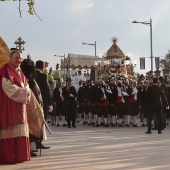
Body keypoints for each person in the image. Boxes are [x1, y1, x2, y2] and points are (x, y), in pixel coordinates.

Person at [0, 50, 31, 163]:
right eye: (16, 58)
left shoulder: (20, 71)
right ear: (10, 58)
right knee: (11, 128)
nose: (19, 60)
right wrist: (23, 93)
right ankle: (10, 156)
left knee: (20, 128)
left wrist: (26, 91)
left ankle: (20, 155)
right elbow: (7, 87)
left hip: (20, 105)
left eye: (20, 58)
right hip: (9, 105)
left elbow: (26, 85)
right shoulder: (6, 70)